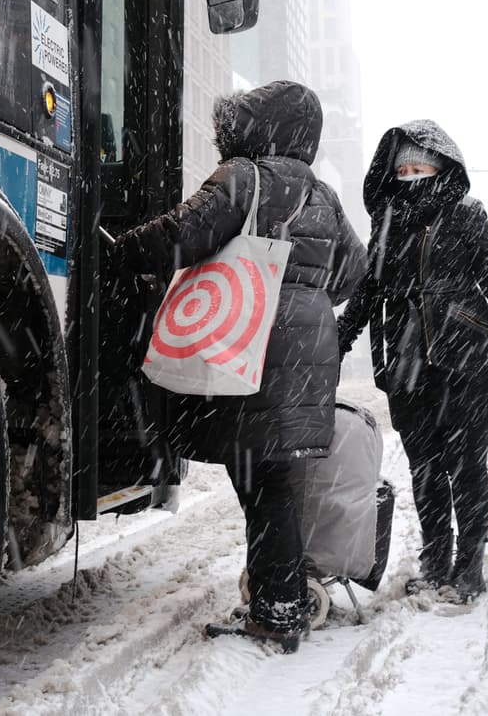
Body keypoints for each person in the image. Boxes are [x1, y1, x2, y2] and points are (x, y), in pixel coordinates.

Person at [109, 81, 366, 652]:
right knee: (278, 478)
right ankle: (283, 597)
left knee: (263, 482)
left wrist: (117, 251)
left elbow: (183, 234)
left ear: (258, 127)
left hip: (256, 340)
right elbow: (354, 271)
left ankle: (277, 614)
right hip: (309, 349)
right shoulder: (322, 194)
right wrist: (304, 287)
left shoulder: (245, 177)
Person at [337, 120, 488, 603]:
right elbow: (367, 289)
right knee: (424, 470)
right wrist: (338, 337)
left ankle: (470, 564)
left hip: (465, 362)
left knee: (466, 469)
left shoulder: (466, 214)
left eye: (421, 166)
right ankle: (436, 559)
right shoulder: (388, 220)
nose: (412, 175)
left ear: (442, 166)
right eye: (403, 169)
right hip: (407, 364)